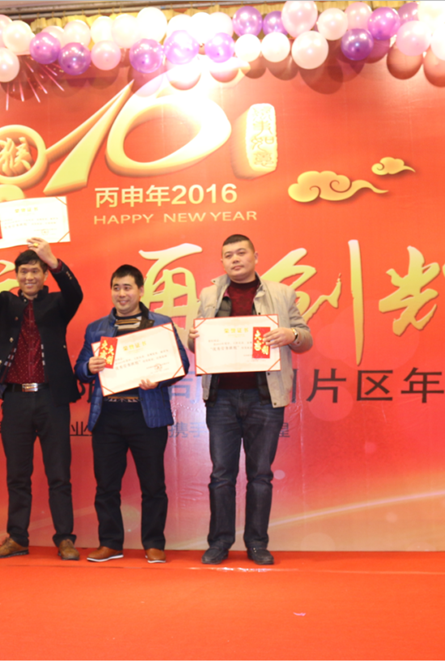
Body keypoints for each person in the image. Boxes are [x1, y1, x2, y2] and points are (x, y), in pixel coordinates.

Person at [187, 234, 313, 566]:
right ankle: (219, 542)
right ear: (222, 262)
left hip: (264, 397)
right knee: (221, 475)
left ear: (256, 256)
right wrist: (193, 338)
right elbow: (195, 344)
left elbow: (305, 338)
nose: (235, 259)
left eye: (241, 252)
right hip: (221, 398)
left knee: (260, 475)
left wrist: (290, 334)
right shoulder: (210, 295)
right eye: (228, 255)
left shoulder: (282, 293)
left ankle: (257, 543)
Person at [0, 220, 83, 561]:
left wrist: (53, 259)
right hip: (16, 399)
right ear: (16, 275)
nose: (29, 276)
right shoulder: (6, 304)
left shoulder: (58, 304)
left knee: (59, 474)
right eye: (23, 271)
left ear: (44, 274)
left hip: (52, 399)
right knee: (17, 475)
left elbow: (76, 293)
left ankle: (65, 539)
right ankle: (17, 537)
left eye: (35, 270)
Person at [74, 265, 190, 564]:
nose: (121, 293)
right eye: (116, 287)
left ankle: (154, 543)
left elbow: (181, 364)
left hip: (146, 416)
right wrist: (89, 367)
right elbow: (80, 369)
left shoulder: (160, 324)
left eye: (127, 287)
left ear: (140, 291)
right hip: (107, 416)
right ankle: (110, 543)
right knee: (106, 485)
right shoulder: (97, 328)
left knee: (153, 485)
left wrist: (159, 380)